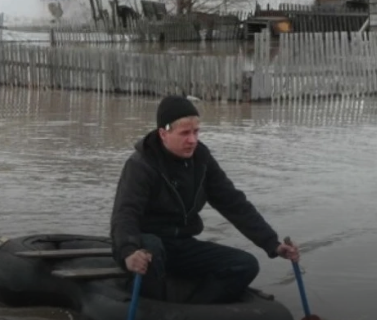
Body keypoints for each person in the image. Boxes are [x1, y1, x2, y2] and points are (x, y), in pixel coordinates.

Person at [109, 95, 300, 304]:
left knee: (246, 264)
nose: (193, 140)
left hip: (182, 245)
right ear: (163, 134)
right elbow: (125, 214)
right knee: (152, 247)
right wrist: (128, 251)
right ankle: (149, 303)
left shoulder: (201, 159)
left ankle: (194, 309)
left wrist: (272, 244)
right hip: (145, 245)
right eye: (185, 133)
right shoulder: (141, 165)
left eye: (196, 132)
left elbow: (233, 203)